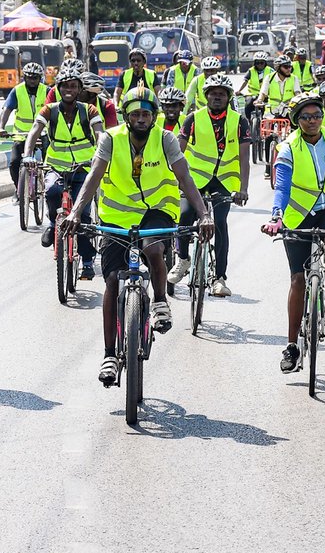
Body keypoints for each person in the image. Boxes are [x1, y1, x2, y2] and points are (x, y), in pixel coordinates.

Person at [63, 87, 214, 385]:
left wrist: (203, 214)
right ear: (126, 116)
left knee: (154, 250)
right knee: (111, 280)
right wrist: (75, 212)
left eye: (146, 114)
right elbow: (94, 175)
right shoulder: (110, 138)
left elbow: (184, 176)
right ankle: (109, 355)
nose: (141, 119)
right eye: (135, 114)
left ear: (153, 116)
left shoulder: (166, 138)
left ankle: (159, 301)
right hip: (116, 215)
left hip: (157, 209)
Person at [261, 93, 325, 372]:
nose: (313, 121)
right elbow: (281, 188)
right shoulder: (288, 148)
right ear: (296, 121)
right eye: (306, 117)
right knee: (297, 279)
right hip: (298, 212)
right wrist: (276, 217)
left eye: (317, 115)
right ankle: (292, 346)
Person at [172, 73, 250, 297]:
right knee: (185, 215)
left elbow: (244, 157)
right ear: (206, 96)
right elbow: (178, 151)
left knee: (220, 223)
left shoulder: (239, 120)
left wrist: (243, 189)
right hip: (195, 179)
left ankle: (220, 278)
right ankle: (183, 259)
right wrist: (173, 180)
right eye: (213, 93)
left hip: (224, 181)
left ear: (228, 97)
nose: (217, 97)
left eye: (222, 94)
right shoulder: (193, 118)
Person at [23, 63, 103, 278]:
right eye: (64, 86)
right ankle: (52, 223)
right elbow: (34, 132)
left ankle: (87, 260)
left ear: (80, 89)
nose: (69, 90)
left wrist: (101, 157)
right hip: (56, 166)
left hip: (84, 167)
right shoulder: (50, 110)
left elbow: (100, 135)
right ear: (58, 88)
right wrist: (28, 155)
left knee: (83, 215)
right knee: (51, 191)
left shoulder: (90, 110)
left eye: (73, 86)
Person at [0, 61, 49, 193]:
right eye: (29, 77)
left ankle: (50, 187)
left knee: (50, 162)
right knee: (14, 163)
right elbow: (6, 110)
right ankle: (19, 189)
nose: (32, 81)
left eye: (35, 78)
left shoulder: (47, 91)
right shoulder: (17, 91)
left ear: (40, 78)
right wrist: (1, 127)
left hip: (43, 133)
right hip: (21, 134)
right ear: (24, 77)